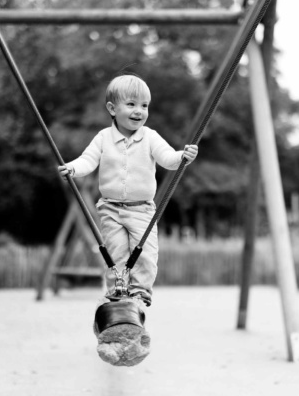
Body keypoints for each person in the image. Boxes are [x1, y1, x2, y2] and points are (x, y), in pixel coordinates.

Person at [58, 74, 198, 308]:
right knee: (116, 254)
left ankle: (141, 292)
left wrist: (182, 156)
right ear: (112, 109)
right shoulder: (103, 138)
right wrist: (72, 168)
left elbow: (168, 159)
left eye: (144, 106)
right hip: (110, 208)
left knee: (146, 254)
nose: (139, 111)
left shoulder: (150, 137)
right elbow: (87, 161)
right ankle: (117, 292)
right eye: (131, 104)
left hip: (142, 210)